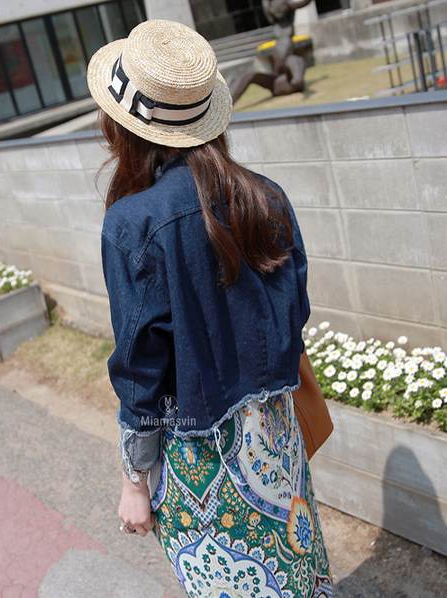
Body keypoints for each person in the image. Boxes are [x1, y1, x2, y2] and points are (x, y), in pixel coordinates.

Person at [87, 19, 332, 598]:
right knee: (295, 575)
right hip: (276, 441)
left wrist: (134, 482)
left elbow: (141, 375)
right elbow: (293, 317)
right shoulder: (266, 196)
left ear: (125, 127)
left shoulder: (132, 223)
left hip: (201, 459)